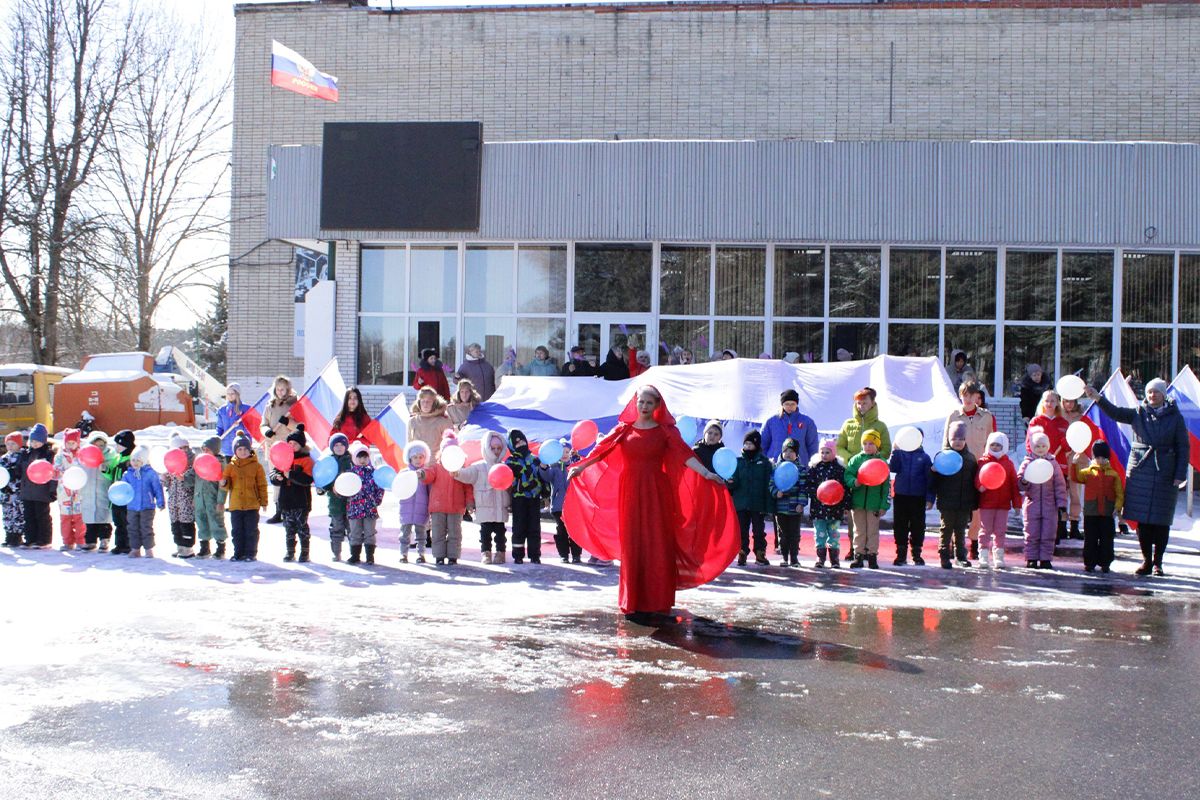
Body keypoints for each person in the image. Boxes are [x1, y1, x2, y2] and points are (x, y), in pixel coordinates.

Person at [564, 385, 738, 619]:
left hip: (657, 492)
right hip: (631, 492)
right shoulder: (623, 430)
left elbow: (684, 455)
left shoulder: (665, 431)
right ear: (635, 404)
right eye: (641, 402)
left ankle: (658, 598)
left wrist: (706, 474)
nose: (644, 406)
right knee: (633, 542)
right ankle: (632, 598)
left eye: (648, 402)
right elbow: (601, 451)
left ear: (657, 405)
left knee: (657, 541)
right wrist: (580, 467)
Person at [1085, 379, 1189, 576]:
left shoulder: (1175, 417)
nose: (1152, 396)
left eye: (1156, 392)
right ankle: (1146, 560)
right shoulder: (1138, 413)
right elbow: (1115, 412)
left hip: (1165, 471)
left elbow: (1183, 447)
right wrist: (1097, 398)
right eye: (1149, 392)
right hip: (1140, 470)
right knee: (1142, 520)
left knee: (1161, 520)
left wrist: (1179, 474)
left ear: (1163, 394)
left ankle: (1158, 562)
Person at [943, 381, 996, 560]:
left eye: (971, 395)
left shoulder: (987, 417)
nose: (967, 398)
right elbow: (946, 442)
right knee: (954, 506)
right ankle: (950, 543)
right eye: (964, 395)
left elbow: (992, 442)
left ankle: (973, 543)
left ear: (977, 397)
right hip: (958, 466)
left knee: (976, 508)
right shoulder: (953, 415)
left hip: (979, 467)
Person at [454, 430, 511, 564]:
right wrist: (456, 472)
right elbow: (467, 475)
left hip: (500, 507)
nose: (496, 451)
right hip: (484, 507)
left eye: (499, 448)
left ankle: (500, 553)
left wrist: (510, 502)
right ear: (486, 448)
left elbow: (510, 486)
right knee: (485, 533)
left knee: (501, 533)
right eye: (493, 448)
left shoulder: (505, 466)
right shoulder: (479, 467)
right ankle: (486, 553)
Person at [930, 422, 979, 569]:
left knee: (960, 529)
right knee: (946, 529)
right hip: (947, 501)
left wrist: (974, 502)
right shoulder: (942, 457)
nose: (958, 442)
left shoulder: (970, 459)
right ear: (949, 440)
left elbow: (974, 481)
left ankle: (961, 556)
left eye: (961, 439)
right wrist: (932, 471)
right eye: (955, 439)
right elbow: (934, 481)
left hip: (964, 502)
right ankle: (944, 555)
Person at [1071, 440, 1124, 574]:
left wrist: (1117, 507)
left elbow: (1119, 493)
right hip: (1091, 512)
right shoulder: (1087, 472)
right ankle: (1089, 563)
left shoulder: (1113, 474)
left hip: (1107, 513)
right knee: (1090, 539)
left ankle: (1105, 563)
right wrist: (1074, 464)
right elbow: (1076, 477)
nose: (1100, 460)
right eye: (1098, 457)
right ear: (1094, 457)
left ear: (1107, 458)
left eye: (1103, 458)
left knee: (1107, 539)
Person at [1017, 431, 1068, 569]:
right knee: (1031, 532)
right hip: (1032, 503)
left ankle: (1046, 558)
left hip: (1049, 505)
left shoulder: (1053, 463)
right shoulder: (1027, 462)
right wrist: (1025, 481)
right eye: (1037, 446)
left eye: (1043, 446)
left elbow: (1059, 485)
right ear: (1032, 447)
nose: (1040, 449)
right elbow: (1020, 482)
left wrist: (1062, 504)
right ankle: (1031, 557)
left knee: (1048, 532)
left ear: (1048, 446)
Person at [1025, 389, 1070, 542]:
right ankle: (1036, 535)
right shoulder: (1036, 422)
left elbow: (1070, 447)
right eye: (1047, 401)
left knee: (1055, 500)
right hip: (1039, 468)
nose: (1050, 404)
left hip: (1059, 467)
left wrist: (1067, 443)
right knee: (1038, 501)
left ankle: (1054, 535)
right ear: (1042, 403)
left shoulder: (1063, 423)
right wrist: (1039, 459)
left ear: (1057, 403)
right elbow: (1029, 445)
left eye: (1053, 400)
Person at [843, 430, 891, 569]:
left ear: (877, 445)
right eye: (865, 443)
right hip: (857, 503)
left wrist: (884, 505)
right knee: (859, 530)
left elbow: (886, 486)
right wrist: (854, 482)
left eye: (871, 443)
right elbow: (848, 475)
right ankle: (858, 555)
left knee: (872, 531)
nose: (868, 446)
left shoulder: (882, 462)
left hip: (874, 505)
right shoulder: (856, 460)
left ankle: (872, 556)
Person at [975, 432, 1021, 569]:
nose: (995, 447)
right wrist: (979, 486)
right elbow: (977, 478)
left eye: (998, 445)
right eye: (992, 444)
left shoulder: (1008, 464)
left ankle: (998, 556)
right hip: (986, 503)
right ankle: (983, 556)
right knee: (985, 530)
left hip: (1003, 504)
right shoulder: (982, 462)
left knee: (1000, 530)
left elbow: (1014, 484)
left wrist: (1017, 504)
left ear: (1004, 446)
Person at [728, 430, 773, 566]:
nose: (747, 446)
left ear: (757, 445)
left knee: (759, 530)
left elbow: (768, 484)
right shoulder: (738, 461)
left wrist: (768, 505)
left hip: (757, 504)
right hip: (741, 503)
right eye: (745, 444)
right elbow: (733, 482)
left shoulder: (764, 463)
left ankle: (760, 552)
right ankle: (742, 551)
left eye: (750, 444)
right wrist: (730, 482)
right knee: (741, 529)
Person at [888, 429, 933, 566]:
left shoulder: (925, 457)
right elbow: (893, 468)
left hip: (918, 497)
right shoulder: (900, 454)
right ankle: (901, 554)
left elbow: (929, 479)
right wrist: (895, 451)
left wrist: (930, 498)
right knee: (900, 525)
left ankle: (916, 553)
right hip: (901, 495)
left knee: (918, 526)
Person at [427, 429, 473, 565]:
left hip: (456, 507)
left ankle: (453, 556)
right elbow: (428, 476)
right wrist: (422, 474)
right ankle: (439, 556)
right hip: (438, 507)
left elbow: (468, 487)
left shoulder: (461, 469)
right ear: (442, 453)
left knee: (455, 534)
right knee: (437, 533)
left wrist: (470, 502)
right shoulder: (436, 467)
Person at [222, 434, 269, 562]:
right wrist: (224, 483)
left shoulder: (257, 466)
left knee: (251, 531)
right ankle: (238, 552)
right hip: (236, 505)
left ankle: (250, 553)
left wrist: (264, 501)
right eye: (239, 449)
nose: (243, 452)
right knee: (237, 531)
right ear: (235, 451)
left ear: (250, 450)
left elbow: (262, 485)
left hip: (252, 505)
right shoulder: (230, 466)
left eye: (245, 449)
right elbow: (226, 485)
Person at [271, 426, 315, 563]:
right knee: (289, 528)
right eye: (289, 443)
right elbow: (274, 473)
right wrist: (276, 478)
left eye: (295, 444)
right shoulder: (283, 457)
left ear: (301, 445)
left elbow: (308, 479)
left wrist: (291, 474)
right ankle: (290, 552)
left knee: (302, 527)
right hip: (286, 500)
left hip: (301, 501)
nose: (292, 446)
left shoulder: (306, 460)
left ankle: (305, 552)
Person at [1060, 395, 1100, 540]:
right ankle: (1062, 525)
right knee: (1062, 494)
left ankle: (1075, 523)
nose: (1069, 404)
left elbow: (1090, 437)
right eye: (1066, 401)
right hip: (1062, 460)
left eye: (1072, 401)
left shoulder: (1083, 418)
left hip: (1078, 459)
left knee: (1075, 494)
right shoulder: (1059, 417)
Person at [505, 429, 547, 564]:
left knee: (534, 527)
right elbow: (507, 480)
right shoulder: (511, 461)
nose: (520, 443)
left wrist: (546, 491)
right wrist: (514, 473)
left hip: (534, 498)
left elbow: (542, 476)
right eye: (516, 442)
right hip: (519, 498)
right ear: (511, 446)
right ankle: (518, 555)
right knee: (519, 526)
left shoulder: (535, 459)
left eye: (522, 440)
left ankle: (535, 554)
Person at [261, 375, 298, 524]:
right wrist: (266, 431)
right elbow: (263, 424)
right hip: (273, 448)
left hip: (288, 448)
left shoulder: (294, 406)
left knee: (289, 479)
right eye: (278, 389)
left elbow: (299, 426)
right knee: (276, 478)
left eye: (283, 389)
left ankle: (290, 510)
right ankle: (278, 509)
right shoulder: (270, 406)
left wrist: (288, 421)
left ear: (288, 389)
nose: (281, 392)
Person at [15, 424, 56, 549]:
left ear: (43, 441)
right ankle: (30, 538)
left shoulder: (48, 455)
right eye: (32, 441)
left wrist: (52, 491)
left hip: (42, 492)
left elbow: (53, 474)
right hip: (27, 491)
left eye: (37, 441)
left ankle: (43, 539)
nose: (34, 444)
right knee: (28, 516)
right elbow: (20, 470)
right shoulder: (25, 454)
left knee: (42, 516)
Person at [807, 439, 847, 568]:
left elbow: (844, 488)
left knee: (834, 534)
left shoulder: (839, 469)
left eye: (827, 452)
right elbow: (809, 485)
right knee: (820, 534)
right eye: (822, 452)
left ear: (834, 453)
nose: (824, 455)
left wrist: (846, 505)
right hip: (819, 509)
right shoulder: (815, 468)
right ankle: (820, 558)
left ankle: (834, 559)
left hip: (835, 509)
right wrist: (817, 494)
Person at [771, 438, 808, 568]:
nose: (788, 454)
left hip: (794, 508)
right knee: (783, 533)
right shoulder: (776, 468)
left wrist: (801, 503)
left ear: (797, 454)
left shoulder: (801, 469)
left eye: (792, 451)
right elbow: (771, 484)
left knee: (794, 533)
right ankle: (784, 557)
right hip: (780, 507)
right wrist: (776, 492)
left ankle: (794, 557)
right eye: (786, 450)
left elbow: (804, 488)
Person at [542, 445, 582, 563]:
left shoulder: (575, 466)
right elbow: (546, 476)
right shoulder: (553, 467)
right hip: (558, 506)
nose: (565, 454)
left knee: (574, 531)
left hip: (573, 504)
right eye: (562, 452)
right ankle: (564, 555)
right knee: (561, 531)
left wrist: (578, 464)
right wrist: (544, 465)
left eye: (567, 452)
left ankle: (576, 555)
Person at [345, 444, 384, 565]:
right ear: (354, 459)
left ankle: (370, 556)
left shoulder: (373, 472)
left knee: (370, 532)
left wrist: (376, 500)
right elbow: (344, 489)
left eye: (365, 458)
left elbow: (380, 487)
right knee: (355, 532)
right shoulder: (350, 473)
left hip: (369, 508)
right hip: (355, 508)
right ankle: (355, 555)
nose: (362, 460)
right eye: (359, 457)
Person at [317, 433, 353, 561]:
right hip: (335, 502)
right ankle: (336, 553)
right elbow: (324, 479)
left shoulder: (351, 460)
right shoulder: (329, 461)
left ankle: (354, 554)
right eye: (336, 445)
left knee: (352, 529)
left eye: (342, 444)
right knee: (336, 528)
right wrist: (322, 488)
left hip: (351, 502)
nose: (339, 447)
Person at [124, 446, 164, 558]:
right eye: (133, 460)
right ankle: (135, 549)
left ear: (144, 460)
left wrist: (160, 501)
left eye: (138, 460)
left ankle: (148, 548)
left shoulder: (150, 473)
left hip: (147, 506)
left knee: (146, 527)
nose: (135, 463)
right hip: (132, 506)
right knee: (132, 528)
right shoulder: (128, 474)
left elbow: (157, 488)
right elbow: (123, 488)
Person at [397, 441, 435, 564]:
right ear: (410, 458)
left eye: (421, 457)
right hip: (406, 508)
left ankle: (421, 554)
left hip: (421, 509)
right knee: (404, 533)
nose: (418, 460)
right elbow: (398, 489)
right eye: (415, 457)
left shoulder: (426, 474)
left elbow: (430, 491)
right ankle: (403, 554)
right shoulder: (404, 473)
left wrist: (430, 506)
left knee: (421, 534)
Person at [761, 388, 820, 463]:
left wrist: (812, 464)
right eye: (787, 404)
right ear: (782, 404)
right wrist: (766, 463)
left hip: (799, 467)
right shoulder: (771, 421)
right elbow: (762, 445)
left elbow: (813, 446)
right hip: (775, 466)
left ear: (797, 404)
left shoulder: (807, 422)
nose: (790, 407)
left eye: (793, 404)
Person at [162, 433, 197, 559]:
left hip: (186, 500)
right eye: (180, 448)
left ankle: (188, 547)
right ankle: (179, 545)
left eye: (186, 447)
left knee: (186, 523)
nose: (184, 450)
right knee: (175, 524)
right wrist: (164, 479)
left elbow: (193, 482)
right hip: (173, 500)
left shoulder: (192, 463)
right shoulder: (171, 464)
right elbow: (168, 484)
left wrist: (183, 479)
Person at [78, 432, 114, 552]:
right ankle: (90, 541)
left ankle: (104, 539)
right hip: (88, 493)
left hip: (103, 491)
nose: (99, 448)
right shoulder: (84, 457)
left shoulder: (110, 457)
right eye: (96, 445)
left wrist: (105, 469)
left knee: (103, 517)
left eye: (102, 445)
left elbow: (112, 474)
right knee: (90, 519)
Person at [193, 436, 228, 559]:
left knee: (216, 521)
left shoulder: (220, 464)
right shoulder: (199, 461)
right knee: (201, 521)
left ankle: (220, 546)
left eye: (208, 449)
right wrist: (183, 477)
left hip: (213, 499)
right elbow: (192, 477)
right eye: (203, 449)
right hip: (199, 499)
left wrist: (220, 501)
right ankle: (204, 547)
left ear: (215, 450)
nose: (205, 452)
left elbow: (223, 485)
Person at [53, 428, 85, 551]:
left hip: (79, 491)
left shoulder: (82, 455)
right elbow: (55, 471)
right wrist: (59, 473)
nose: (70, 445)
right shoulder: (60, 456)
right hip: (64, 492)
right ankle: (67, 541)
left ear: (78, 442)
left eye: (73, 442)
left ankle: (81, 540)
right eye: (68, 442)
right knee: (65, 518)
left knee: (79, 517)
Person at [106, 430, 136, 555]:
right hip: (115, 497)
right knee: (118, 522)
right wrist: (105, 471)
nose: (116, 447)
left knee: (126, 522)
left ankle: (128, 544)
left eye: (118, 445)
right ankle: (119, 544)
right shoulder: (117, 458)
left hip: (126, 498)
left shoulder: (131, 459)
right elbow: (112, 476)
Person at [408, 386, 453, 460]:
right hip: (418, 465)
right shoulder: (412, 421)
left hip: (436, 465)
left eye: (428, 401)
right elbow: (409, 445)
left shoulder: (443, 421)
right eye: (423, 401)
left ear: (434, 403)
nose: (425, 404)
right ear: (418, 403)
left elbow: (450, 445)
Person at [0, 433, 24, 548]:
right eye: (8, 444)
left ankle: (17, 536)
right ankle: (9, 536)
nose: (10, 446)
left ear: (19, 445)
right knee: (7, 515)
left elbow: (21, 474)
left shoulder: (21, 457)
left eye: (13, 444)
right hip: (6, 493)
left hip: (17, 493)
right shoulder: (3, 458)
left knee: (18, 515)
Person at [215, 383, 249, 457]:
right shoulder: (222, 410)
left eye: (232, 393)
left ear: (238, 394)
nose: (230, 396)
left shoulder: (246, 409)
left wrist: (238, 427)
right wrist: (217, 437)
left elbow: (250, 429)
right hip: (227, 448)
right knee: (229, 468)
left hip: (242, 447)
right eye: (228, 393)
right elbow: (220, 427)